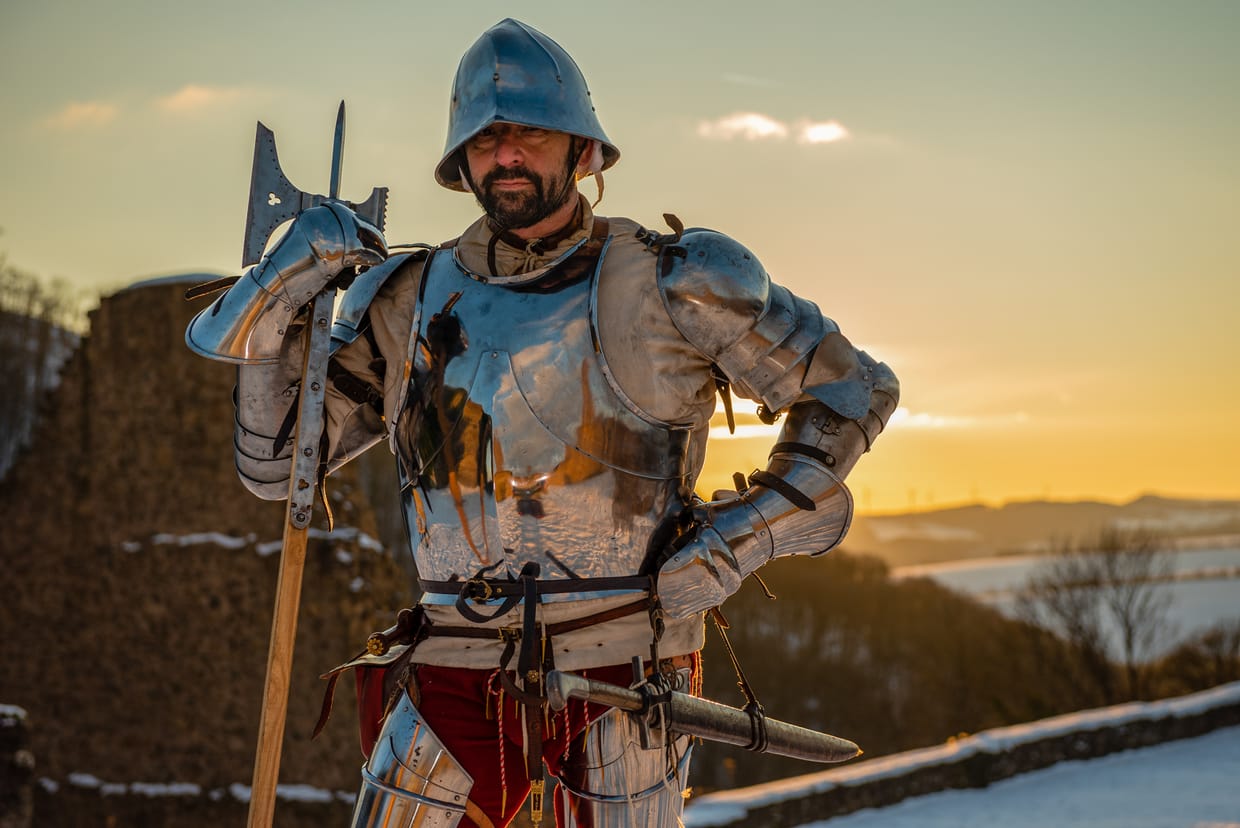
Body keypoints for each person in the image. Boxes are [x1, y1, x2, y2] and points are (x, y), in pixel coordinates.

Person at [187, 18, 897, 828]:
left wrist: (749, 535)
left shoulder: (678, 278)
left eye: (527, 132)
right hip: (451, 660)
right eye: (485, 140)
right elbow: (280, 468)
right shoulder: (406, 298)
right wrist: (282, 286)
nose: (506, 153)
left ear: (582, 150)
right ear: (462, 163)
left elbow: (855, 388)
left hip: (623, 661)